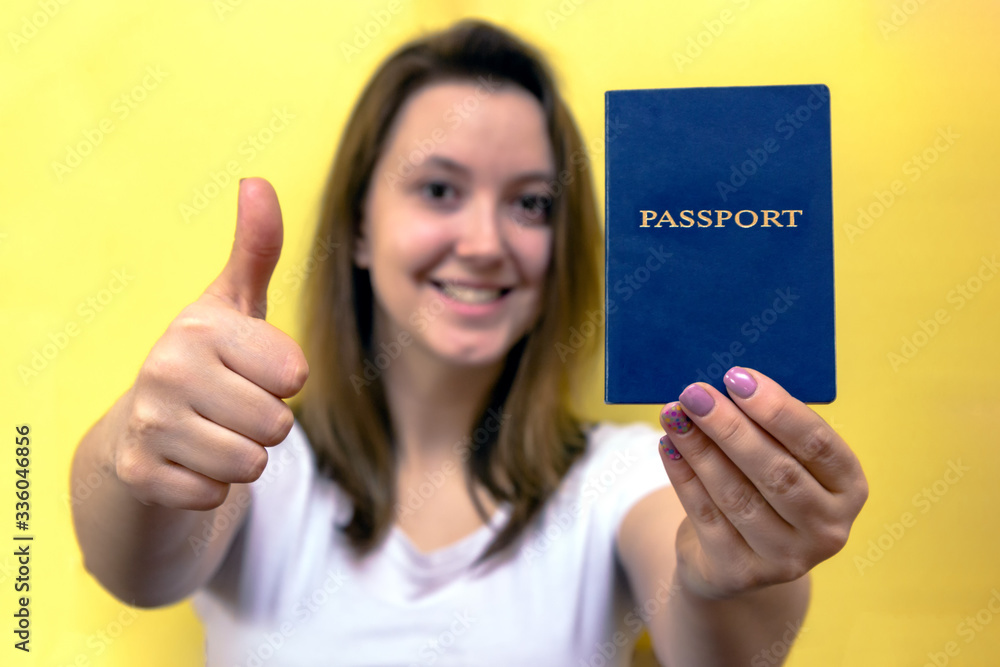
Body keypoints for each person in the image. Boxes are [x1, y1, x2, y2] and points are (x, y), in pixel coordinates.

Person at [70, 19, 868, 666]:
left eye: (531, 203)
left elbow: (718, 641)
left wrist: (733, 567)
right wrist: (132, 449)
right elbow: (135, 570)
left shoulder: (624, 475)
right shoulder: (254, 458)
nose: (485, 243)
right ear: (358, 224)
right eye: (439, 189)